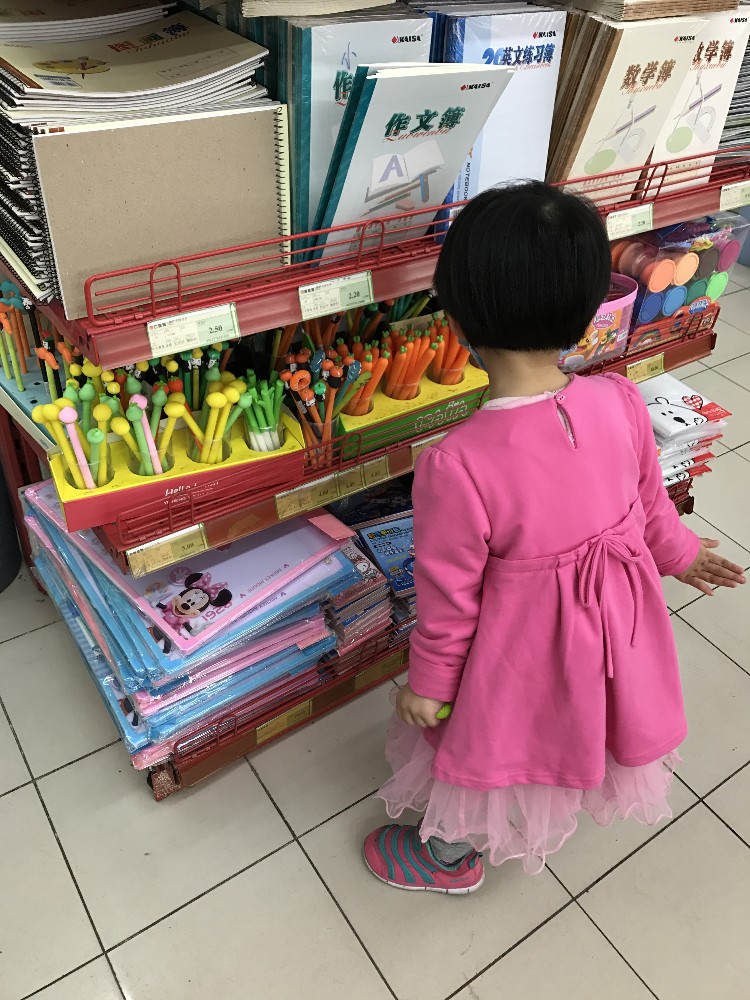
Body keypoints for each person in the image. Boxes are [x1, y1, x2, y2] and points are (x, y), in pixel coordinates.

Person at [363, 182, 746, 894]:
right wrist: (684, 555)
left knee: (490, 746)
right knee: (577, 730)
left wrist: (430, 685)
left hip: (519, 657)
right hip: (611, 638)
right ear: (591, 306)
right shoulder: (619, 398)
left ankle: (447, 857)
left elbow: (450, 601)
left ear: (458, 315)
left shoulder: (456, 463)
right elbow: (647, 505)